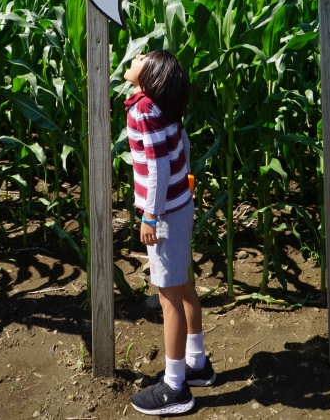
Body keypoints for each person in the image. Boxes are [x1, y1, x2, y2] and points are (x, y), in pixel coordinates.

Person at [124, 50, 216, 416]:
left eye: (145, 58)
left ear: (151, 79)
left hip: (164, 214)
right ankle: (197, 363)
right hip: (180, 205)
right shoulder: (162, 107)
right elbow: (183, 145)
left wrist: (150, 215)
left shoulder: (143, 110)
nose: (138, 54)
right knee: (183, 285)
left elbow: (158, 166)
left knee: (168, 298)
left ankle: (175, 387)